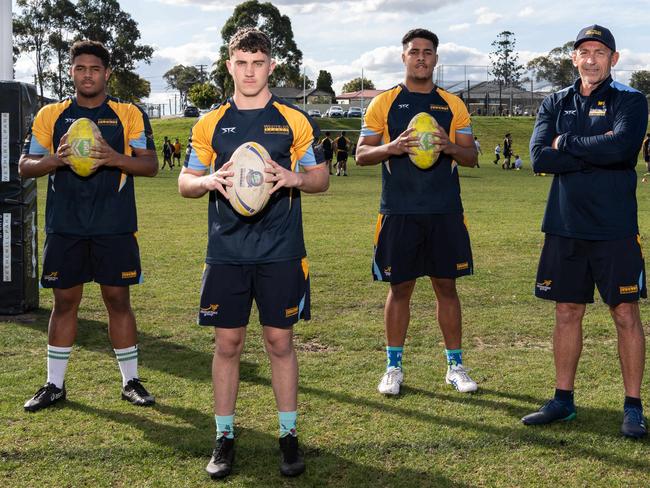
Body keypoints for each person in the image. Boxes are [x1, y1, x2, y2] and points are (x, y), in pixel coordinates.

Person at [178, 28, 328, 479]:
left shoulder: (294, 119)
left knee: (280, 341)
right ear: (229, 66)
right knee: (228, 343)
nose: (249, 71)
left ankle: (288, 435)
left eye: (258, 63)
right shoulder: (210, 122)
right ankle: (224, 437)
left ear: (271, 67)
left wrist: (294, 178)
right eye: (241, 63)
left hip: (281, 249)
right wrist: (208, 181)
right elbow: (186, 182)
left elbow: (321, 179)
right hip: (226, 250)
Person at [19, 40, 158, 412]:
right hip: (66, 226)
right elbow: (24, 166)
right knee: (64, 302)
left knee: (118, 300)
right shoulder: (51, 115)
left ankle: (131, 382)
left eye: (95, 68)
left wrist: (113, 158)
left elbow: (149, 165)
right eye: (80, 68)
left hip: (114, 225)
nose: (87, 75)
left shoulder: (128, 114)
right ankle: (54, 384)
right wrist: (57, 160)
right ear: (71, 72)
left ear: (107, 73)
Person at [524, 24, 649, 439]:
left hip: (614, 227)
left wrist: (568, 145)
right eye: (584, 51)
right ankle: (563, 400)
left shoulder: (632, 100)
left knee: (626, 313)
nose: (591, 58)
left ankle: (633, 407)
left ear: (613, 58)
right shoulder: (554, 101)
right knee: (566, 312)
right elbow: (539, 157)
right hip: (564, 225)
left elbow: (622, 149)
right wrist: (591, 149)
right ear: (573, 58)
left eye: (599, 51)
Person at [356, 28, 479, 397]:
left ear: (436, 59)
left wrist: (449, 146)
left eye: (427, 52)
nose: (421, 57)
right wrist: (392, 147)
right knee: (400, 287)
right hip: (399, 210)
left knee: (447, 287)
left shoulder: (452, 104)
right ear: (404, 57)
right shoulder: (384, 103)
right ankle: (393, 367)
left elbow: (472, 156)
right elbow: (361, 154)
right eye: (414, 51)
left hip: (444, 210)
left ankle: (455, 365)